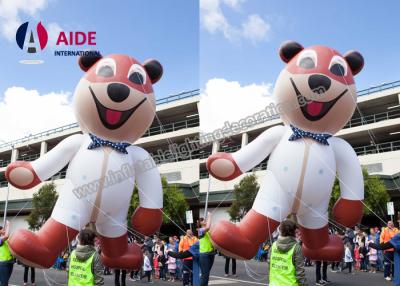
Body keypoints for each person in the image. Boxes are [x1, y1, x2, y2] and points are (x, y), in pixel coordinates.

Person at [268, 220, 307, 286]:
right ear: (294, 232)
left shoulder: (273, 246)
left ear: (281, 230)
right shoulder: (296, 248)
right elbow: (300, 274)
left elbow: (270, 266)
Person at [199, 213, 215, 286]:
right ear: (200, 224)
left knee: (206, 274)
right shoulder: (200, 231)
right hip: (204, 254)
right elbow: (208, 227)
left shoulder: (208, 232)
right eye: (202, 220)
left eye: (204, 219)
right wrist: (210, 216)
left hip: (211, 253)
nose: (204, 220)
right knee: (205, 274)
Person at [0, 221, 14, 286]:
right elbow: (6, 236)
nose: (4, 230)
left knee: (5, 281)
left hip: (10, 262)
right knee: (4, 283)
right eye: (2, 229)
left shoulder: (5, 240)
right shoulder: (0, 239)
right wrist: (8, 225)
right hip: (3, 264)